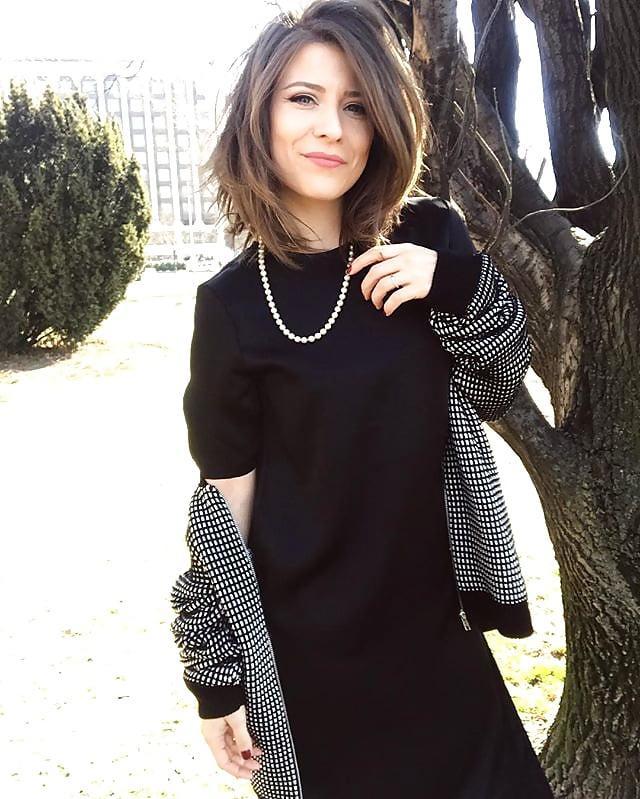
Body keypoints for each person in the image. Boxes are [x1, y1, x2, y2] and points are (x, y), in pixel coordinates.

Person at [169, 1, 556, 797]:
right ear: (260, 116)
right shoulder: (232, 306)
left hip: (436, 641)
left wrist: (456, 284)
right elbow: (224, 509)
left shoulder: (427, 239)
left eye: (356, 105)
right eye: (303, 98)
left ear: (381, 124)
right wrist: (215, 679)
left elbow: (498, 379)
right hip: (307, 668)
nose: (332, 128)